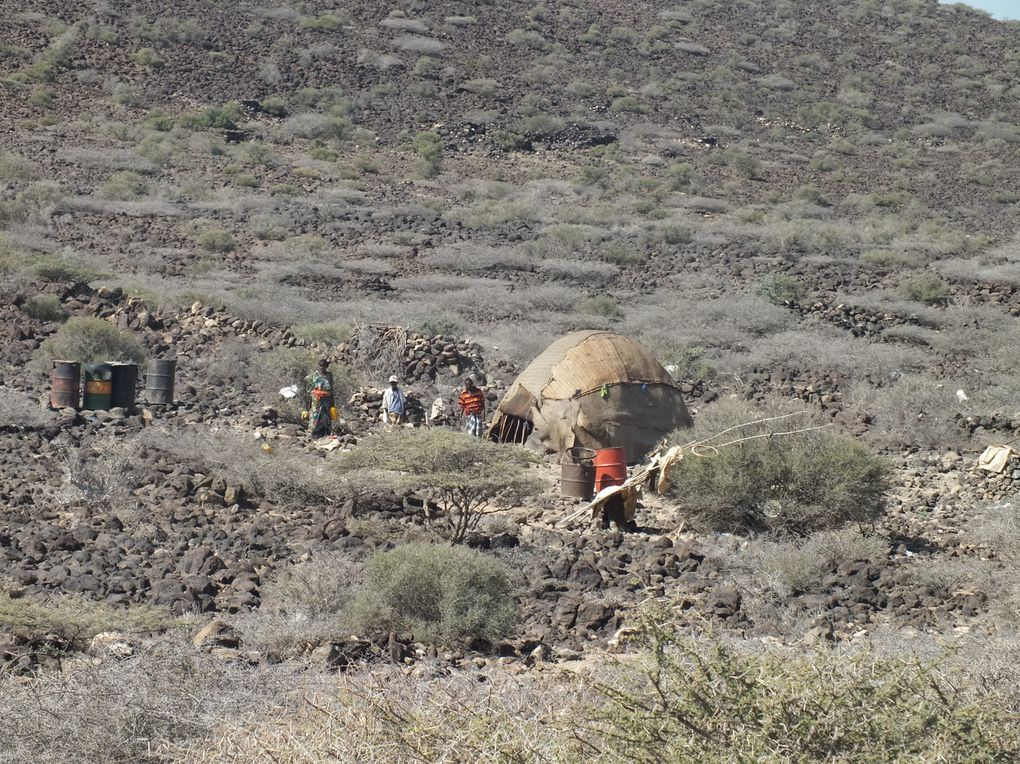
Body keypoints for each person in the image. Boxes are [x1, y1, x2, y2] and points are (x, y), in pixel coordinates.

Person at [305, 358, 335, 438]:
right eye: (320, 366)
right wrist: (310, 397)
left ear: (326, 366)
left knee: (325, 415)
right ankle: (313, 432)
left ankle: (325, 432)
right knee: (315, 414)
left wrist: (332, 401)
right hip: (317, 398)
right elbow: (309, 385)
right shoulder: (315, 375)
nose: (322, 368)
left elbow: (331, 388)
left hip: (327, 399)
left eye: (324, 366)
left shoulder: (329, 375)